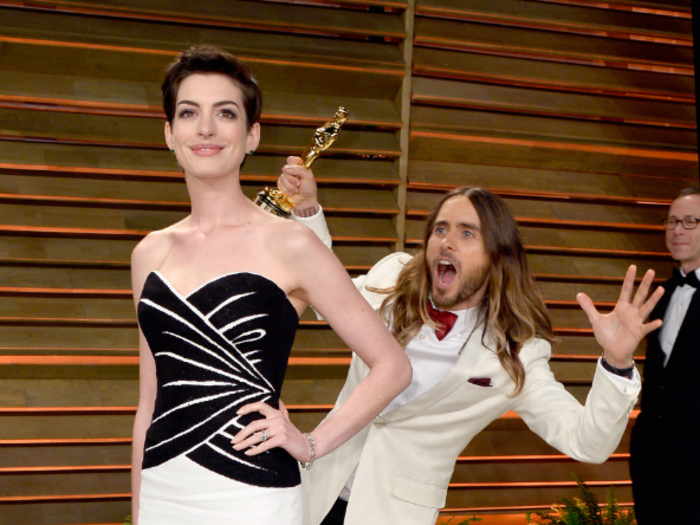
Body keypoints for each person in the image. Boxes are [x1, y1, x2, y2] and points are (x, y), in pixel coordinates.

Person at [277, 164, 664, 525]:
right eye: (440, 229)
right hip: (313, 491)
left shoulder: (516, 356)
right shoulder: (393, 278)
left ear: (497, 256)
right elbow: (326, 293)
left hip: (393, 514)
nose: (446, 242)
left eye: (466, 233)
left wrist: (617, 361)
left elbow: (587, 443)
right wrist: (308, 209)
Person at [129, 46, 411, 525]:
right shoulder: (149, 253)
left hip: (253, 494)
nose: (206, 128)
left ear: (252, 134)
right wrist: (140, 509)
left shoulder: (291, 245)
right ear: (169, 134)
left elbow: (393, 366)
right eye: (189, 113)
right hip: (164, 489)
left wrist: (311, 444)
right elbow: (150, 400)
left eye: (226, 113)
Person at [629, 187, 700, 525]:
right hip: (652, 456)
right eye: (671, 222)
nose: (677, 230)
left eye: (690, 221)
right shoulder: (661, 292)